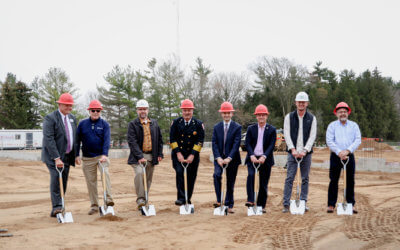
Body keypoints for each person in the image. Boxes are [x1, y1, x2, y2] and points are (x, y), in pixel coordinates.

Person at [41, 93, 77, 218]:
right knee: (56, 179)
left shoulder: (72, 118)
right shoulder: (50, 118)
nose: (69, 108)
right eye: (67, 105)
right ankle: (57, 207)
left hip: (67, 156)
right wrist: (56, 158)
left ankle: (60, 205)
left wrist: (76, 155)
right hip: (53, 157)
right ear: (60, 104)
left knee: (64, 181)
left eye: (71, 106)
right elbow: (48, 139)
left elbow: (74, 138)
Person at [75, 100, 114, 215]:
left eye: (98, 110)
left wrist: (104, 155)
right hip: (87, 158)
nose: (95, 112)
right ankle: (94, 206)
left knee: (105, 175)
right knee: (91, 183)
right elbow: (77, 141)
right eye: (93, 110)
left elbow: (106, 141)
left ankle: (108, 200)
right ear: (89, 111)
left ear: (100, 111)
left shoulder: (105, 125)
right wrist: (77, 155)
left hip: (101, 157)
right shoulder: (82, 124)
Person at [282, 92, 317, 213]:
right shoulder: (289, 117)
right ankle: (286, 204)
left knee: (305, 178)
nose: (301, 104)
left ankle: (303, 201)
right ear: (296, 103)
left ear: (307, 103)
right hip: (292, 153)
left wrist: (305, 150)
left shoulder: (312, 118)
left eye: (303, 102)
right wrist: (292, 149)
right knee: (289, 178)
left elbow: (312, 136)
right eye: (299, 102)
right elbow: (286, 134)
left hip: (306, 154)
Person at [127, 99, 163, 209]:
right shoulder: (133, 124)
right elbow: (132, 141)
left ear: (148, 110)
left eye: (144, 109)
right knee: (139, 174)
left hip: (151, 155)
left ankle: (145, 200)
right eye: (140, 109)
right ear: (137, 110)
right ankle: (140, 199)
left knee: (148, 179)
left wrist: (160, 153)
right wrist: (140, 156)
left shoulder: (154, 123)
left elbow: (159, 139)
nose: (143, 111)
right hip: (137, 156)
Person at [326, 102, 361, 213]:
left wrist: (348, 151)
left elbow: (357, 139)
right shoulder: (332, 126)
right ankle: (331, 204)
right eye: (340, 112)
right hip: (336, 156)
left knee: (350, 180)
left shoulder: (354, 125)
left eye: (344, 112)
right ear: (336, 113)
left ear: (348, 113)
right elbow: (329, 141)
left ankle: (351, 204)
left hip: (349, 156)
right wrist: (339, 152)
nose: (342, 114)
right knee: (333, 180)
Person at [170, 99, 205, 206]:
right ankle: (180, 198)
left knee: (191, 177)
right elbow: (172, 139)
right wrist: (178, 153)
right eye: (185, 110)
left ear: (192, 111)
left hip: (192, 156)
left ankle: (187, 198)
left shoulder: (198, 124)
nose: (187, 113)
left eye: (189, 110)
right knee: (180, 174)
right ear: (182, 111)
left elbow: (200, 141)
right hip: (178, 154)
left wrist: (192, 154)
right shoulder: (176, 123)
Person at [244, 104, 276, 213]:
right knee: (251, 176)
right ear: (256, 116)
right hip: (252, 158)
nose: (261, 117)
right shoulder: (251, 129)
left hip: (265, 159)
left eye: (263, 115)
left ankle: (261, 205)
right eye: (259, 115)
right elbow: (247, 143)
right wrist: (251, 155)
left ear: (266, 116)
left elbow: (271, 145)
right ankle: (251, 200)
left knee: (263, 183)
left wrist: (264, 156)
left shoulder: (271, 130)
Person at [212, 102, 242, 214]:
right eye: (224, 113)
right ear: (221, 114)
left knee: (230, 182)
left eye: (228, 113)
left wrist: (229, 158)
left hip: (232, 159)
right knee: (216, 175)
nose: (226, 115)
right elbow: (214, 143)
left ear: (232, 114)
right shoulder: (216, 127)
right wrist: (218, 158)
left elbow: (236, 144)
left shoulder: (237, 127)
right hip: (219, 158)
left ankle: (229, 204)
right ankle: (219, 201)